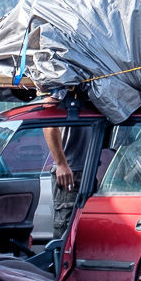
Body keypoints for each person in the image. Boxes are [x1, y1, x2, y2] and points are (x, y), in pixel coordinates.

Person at [41, 95, 89, 239]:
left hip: (89, 171)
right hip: (69, 172)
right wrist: (61, 164)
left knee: (83, 230)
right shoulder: (62, 91)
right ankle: (61, 260)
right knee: (65, 231)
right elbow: (49, 125)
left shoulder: (92, 90)